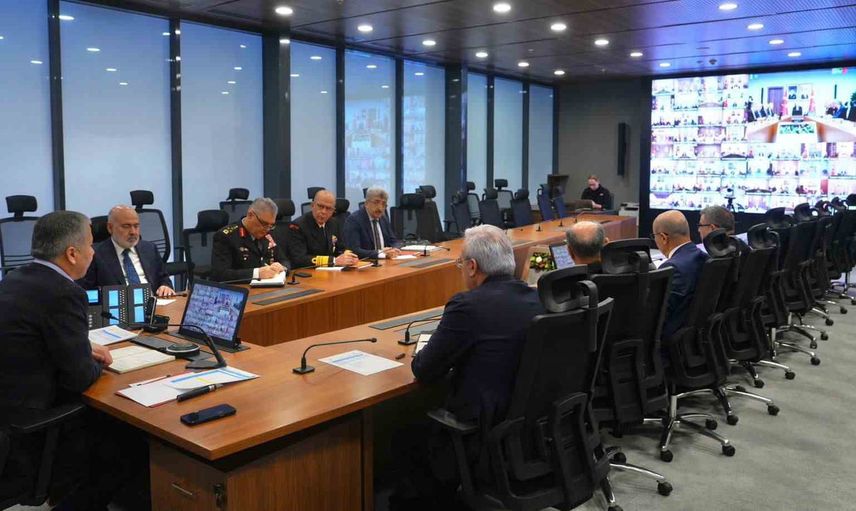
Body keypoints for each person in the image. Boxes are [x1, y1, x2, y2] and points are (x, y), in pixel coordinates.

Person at [0, 211, 147, 510]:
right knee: (131, 440)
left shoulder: (15, 278)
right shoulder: (64, 293)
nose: (93, 253)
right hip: (36, 424)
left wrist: (80, 346)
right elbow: (80, 378)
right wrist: (98, 360)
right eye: (90, 245)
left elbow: (35, 339)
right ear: (71, 253)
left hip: (9, 408)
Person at [401, 225, 545, 509]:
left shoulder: (467, 306)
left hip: (480, 432)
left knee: (406, 435)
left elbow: (424, 369)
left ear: (472, 266)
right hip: (529, 429)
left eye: (460, 264)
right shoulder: (538, 299)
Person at [78, 205, 175, 297]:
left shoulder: (149, 248)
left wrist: (165, 286)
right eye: (126, 226)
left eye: (136, 226)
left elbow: (163, 277)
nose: (133, 232)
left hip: (154, 304)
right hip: (117, 306)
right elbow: (86, 292)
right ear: (110, 228)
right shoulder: (94, 254)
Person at [652, 210, 709, 339]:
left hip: (671, 341)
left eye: (654, 236)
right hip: (698, 337)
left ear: (663, 238)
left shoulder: (672, 268)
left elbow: (659, 315)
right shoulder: (704, 257)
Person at [211, 197, 291, 282]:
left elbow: (284, 259)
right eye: (264, 224)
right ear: (250, 215)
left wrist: (282, 268)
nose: (267, 229)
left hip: (270, 285)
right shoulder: (226, 236)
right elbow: (220, 274)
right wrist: (257, 273)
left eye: (271, 225)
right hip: (241, 287)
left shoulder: (268, 232)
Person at [286, 189, 359, 268]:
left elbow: (341, 248)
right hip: (308, 272)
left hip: (331, 271)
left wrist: (349, 257)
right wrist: (333, 261)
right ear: (312, 205)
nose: (324, 212)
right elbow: (299, 259)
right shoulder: (298, 226)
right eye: (320, 206)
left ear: (333, 211)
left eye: (328, 208)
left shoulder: (334, 223)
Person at [343, 187, 402, 259]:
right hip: (365, 263)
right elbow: (354, 250)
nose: (380, 208)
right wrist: (381, 253)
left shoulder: (383, 219)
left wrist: (394, 249)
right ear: (366, 203)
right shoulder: (354, 220)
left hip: (385, 261)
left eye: (384, 204)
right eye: (376, 202)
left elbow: (394, 241)